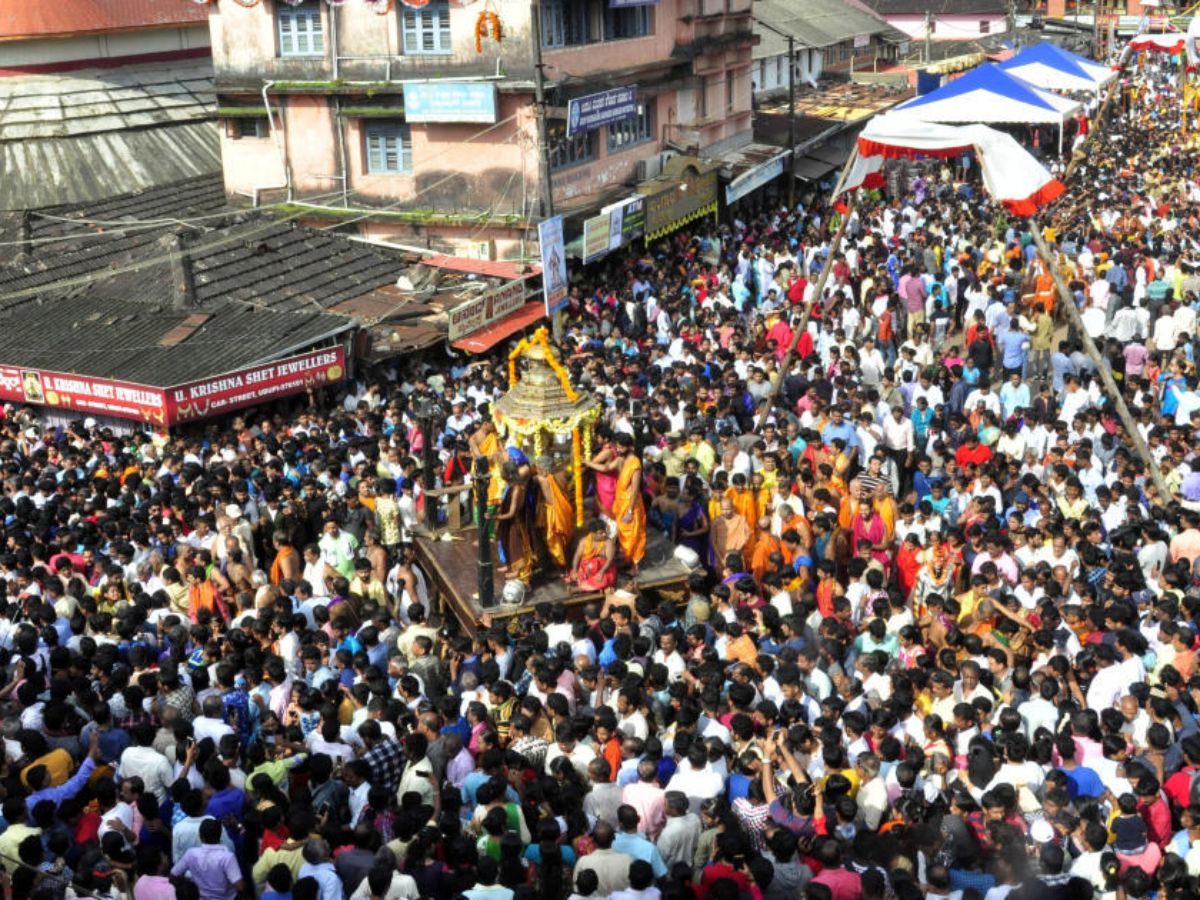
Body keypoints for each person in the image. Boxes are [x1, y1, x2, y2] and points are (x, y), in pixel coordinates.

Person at [612, 433, 646, 574]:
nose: (618, 449)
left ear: (629, 447)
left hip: (631, 504)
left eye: (621, 447)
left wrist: (630, 510)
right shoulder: (623, 460)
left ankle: (635, 565)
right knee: (623, 534)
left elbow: (635, 489)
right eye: (617, 446)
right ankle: (627, 560)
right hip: (621, 503)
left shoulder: (635, 463)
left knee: (634, 534)